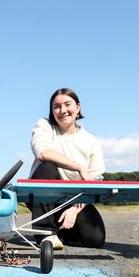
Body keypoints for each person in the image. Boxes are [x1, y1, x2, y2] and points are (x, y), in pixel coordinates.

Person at [28, 88, 106, 250]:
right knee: (47, 166)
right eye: (56, 106)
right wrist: (79, 168)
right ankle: (45, 234)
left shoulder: (91, 142)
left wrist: (74, 209)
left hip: (73, 199)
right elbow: (43, 153)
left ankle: (59, 232)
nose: (62, 110)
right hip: (43, 195)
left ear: (78, 108)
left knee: (95, 239)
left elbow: (95, 181)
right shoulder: (44, 125)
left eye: (67, 104)